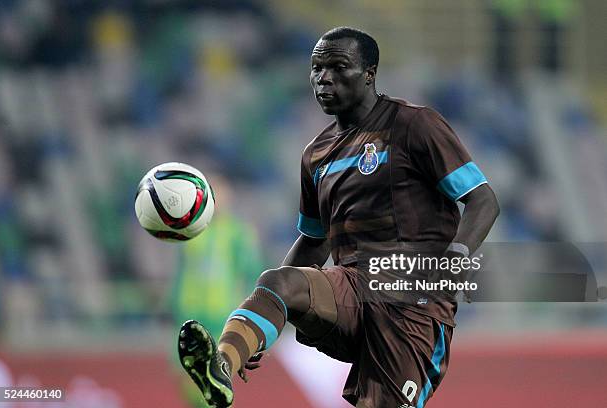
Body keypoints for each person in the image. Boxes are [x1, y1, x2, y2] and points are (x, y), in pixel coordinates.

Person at [177, 27, 500, 408]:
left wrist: (453, 260)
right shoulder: (316, 154)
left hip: (412, 304)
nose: (323, 78)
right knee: (278, 281)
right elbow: (314, 242)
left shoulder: (414, 125)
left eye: (337, 66)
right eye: (316, 68)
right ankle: (223, 365)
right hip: (352, 288)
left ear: (369, 73)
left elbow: (482, 200)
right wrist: (274, 309)